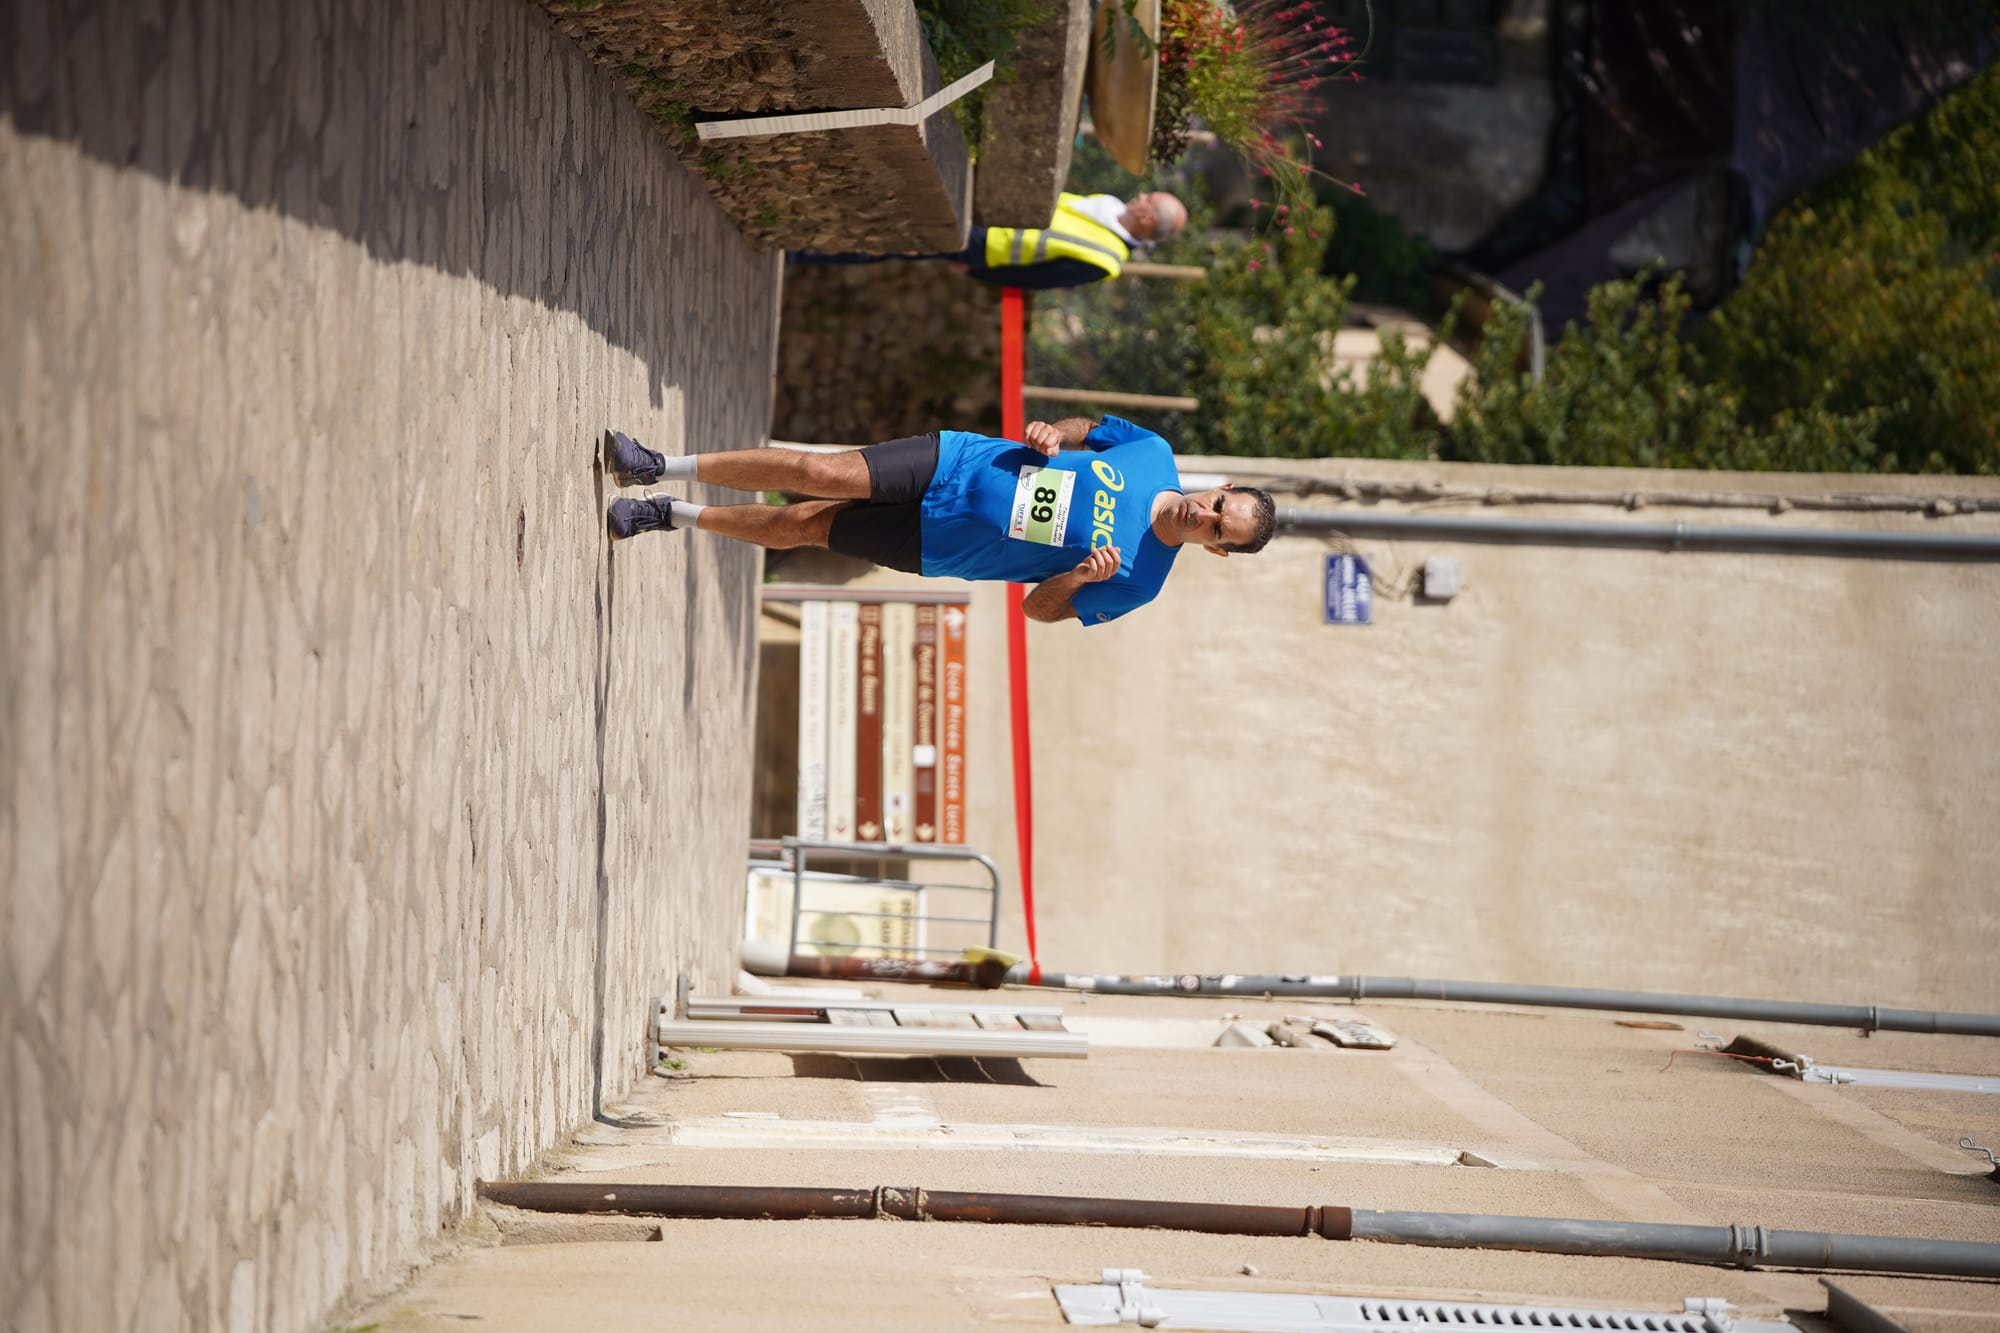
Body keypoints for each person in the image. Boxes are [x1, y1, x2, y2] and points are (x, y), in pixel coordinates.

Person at [601, 416, 1275, 625]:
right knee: (819, 471)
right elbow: (1085, 427)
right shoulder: (1153, 453)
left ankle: (670, 514)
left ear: (1216, 550)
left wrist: (1074, 577)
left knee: (807, 522)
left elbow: (1037, 612)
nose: (1206, 515)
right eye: (1220, 504)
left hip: (943, 544)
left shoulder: (1139, 581)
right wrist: (1050, 434)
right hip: (960, 463)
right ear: (1220, 486)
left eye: (1220, 528)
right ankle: (661, 463)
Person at [791, 191, 1189, 291]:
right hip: (993, 210)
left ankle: (805, 252)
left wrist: (979, 270)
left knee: (900, 242)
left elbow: (1038, 279)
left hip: (986, 245)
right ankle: (811, 232)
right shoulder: (1110, 204)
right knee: (903, 219)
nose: (1140, 196)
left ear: (1149, 218)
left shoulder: (1107, 260)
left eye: (1148, 199)